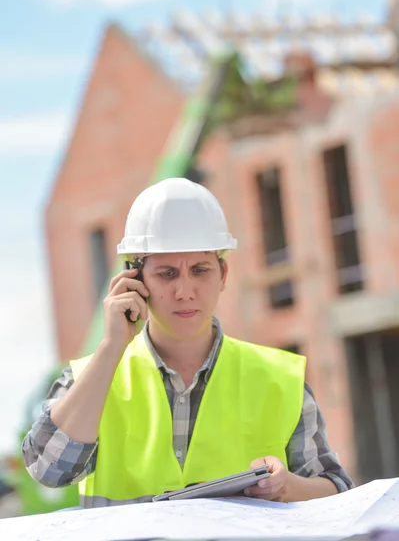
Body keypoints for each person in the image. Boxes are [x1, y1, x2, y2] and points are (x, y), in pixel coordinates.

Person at [22, 178, 353, 509]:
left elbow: (338, 495)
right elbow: (48, 471)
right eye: (167, 273)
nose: (185, 291)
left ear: (222, 274)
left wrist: (286, 486)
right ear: (134, 280)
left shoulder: (279, 379)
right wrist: (111, 348)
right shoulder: (90, 380)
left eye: (200, 270)